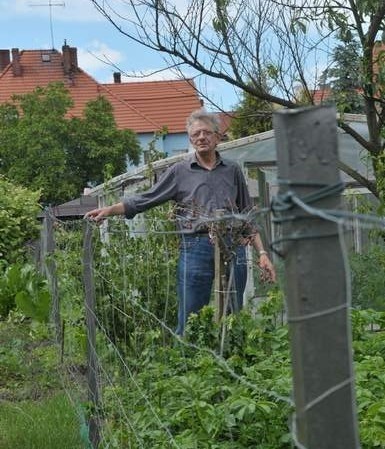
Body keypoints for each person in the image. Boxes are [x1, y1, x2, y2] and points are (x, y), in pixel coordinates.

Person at [85, 108, 276, 334]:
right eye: (196, 134)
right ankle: (189, 361)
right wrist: (109, 210)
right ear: (190, 139)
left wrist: (263, 254)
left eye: (206, 132)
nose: (201, 138)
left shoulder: (232, 170)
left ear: (217, 136)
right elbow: (147, 198)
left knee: (234, 313)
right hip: (195, 246)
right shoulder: (179, 171)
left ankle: (231, 357)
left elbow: (246, 215)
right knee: (192, 315)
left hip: (233, 246)